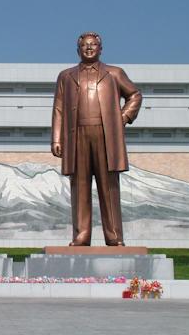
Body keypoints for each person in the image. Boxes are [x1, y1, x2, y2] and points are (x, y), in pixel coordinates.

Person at [51, 32, 142, 246]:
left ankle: (114, 236)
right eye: (84, 45)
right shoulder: (66, 75)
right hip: (77, 135)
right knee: (79, 186)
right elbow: (58, 108)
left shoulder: (114, 73)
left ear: (101, 49)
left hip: (105, 135)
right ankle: (81, 235)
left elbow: (135, 95)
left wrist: (122, 117)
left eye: (93, 45)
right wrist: (56, 138)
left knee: (109, 186)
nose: (89, 48)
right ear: (78, 50)